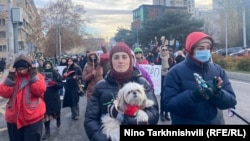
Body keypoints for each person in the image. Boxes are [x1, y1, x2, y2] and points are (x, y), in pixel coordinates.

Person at [84, 42, 159, 141]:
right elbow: (90, 120)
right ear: (111, 61)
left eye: (124, 57)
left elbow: (153, 114)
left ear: (130, 60)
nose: (120, 61)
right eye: (116, 57)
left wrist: (127, 119)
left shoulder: (143, 83)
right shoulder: (100, 86)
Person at [162, 31, 237, 124]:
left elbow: (231, 101)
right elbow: (168, 104)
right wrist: (194, 95)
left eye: (208, 48)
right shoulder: (174, 72)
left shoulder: (217, 70)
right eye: (201, 48)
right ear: (191, 49)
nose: (206, 51)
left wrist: (218, 93)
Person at [0, 54, 46, 141]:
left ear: (28, 67)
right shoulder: (12, 77)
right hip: (14, 119)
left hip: (32, 118)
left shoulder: (37, 76)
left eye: (23, 69)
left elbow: (40, 91)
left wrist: (33, 77)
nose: (21, 71)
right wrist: (10, 78)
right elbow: (4, 93)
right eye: (19, 69)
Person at [42, 60, 64, 140]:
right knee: (45, 115)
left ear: (51, 66)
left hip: (54, 97)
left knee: (56, 112)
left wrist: (55, 84)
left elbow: (61, 85)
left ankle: (58, 119)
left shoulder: (56, 74)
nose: (47, 68)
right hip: (45, 98)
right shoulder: (42, 75)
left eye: (49, 66)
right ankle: (47, 132)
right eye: (46, 66)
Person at [154, 45, 171, 121]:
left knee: (168, 96)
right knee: (162, 97)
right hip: (161, 79)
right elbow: (154, 67)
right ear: (160, 51)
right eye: (163, 50)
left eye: (165, 50)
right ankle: (161, 113)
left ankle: (167, 113)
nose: (164, 51)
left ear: (167, 51)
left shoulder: (171, 59)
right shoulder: (157, 59)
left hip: (169, 79)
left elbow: (174, 67)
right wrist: (152, 65)